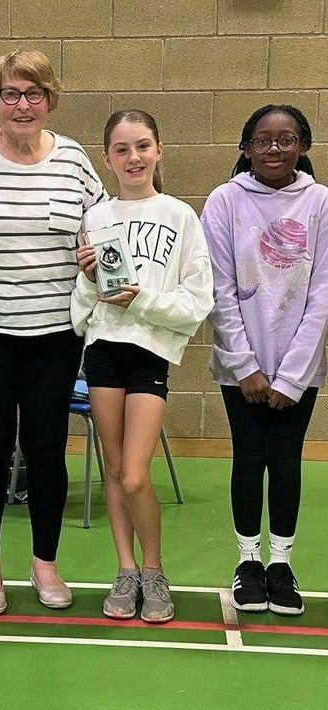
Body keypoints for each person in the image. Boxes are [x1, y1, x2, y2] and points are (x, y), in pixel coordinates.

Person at [0, 49, 106, 615]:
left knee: (46, 452)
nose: (22, 105)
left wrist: (98, 260)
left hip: (56, 338)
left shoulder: (72, 159)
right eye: (11, 94)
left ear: (50, 99)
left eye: (33, 93)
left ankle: (45, 562)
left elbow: (103, 226)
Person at [71, 109, 213, 623]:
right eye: (123, 149)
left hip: (150, 354)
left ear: (159, 150)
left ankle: (154, 569)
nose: (134, 157)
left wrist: (141, 301)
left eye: (143, 146)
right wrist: (89, 279)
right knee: (113, 470)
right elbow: (82, 307)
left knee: (135, 475)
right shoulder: (97, 218)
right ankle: (126, 569)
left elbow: (197, 303)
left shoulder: (180, 215)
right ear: (107, 158)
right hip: (104, 351)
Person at [201, 105, 328, 616]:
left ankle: (281, 565)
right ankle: (248, 563)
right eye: (263, 140)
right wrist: (245, 366)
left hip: (300, 366)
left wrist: (293, 375)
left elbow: (321, 294)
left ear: (303, 145)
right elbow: (219, 288)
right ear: (246, 147)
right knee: (249, 459)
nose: (274, 148)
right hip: (242, 369)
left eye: (286, 139)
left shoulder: (320, 202)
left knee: (287, 459)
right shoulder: (224, 201)